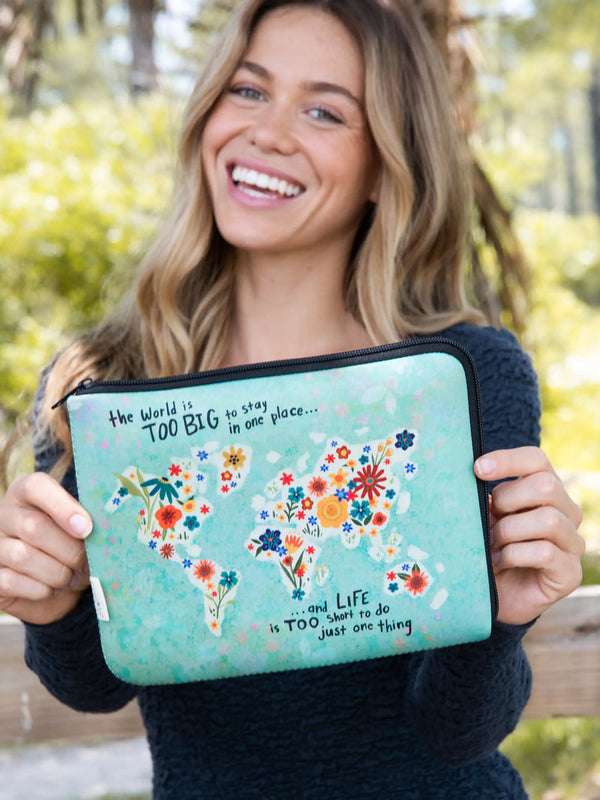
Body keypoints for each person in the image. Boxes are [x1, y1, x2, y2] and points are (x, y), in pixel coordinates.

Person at [0, 0, 584, 797]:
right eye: (247, 90)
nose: (268, 132)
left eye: (324, 111)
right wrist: (49, 599)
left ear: (385, 165)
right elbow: (96, 687)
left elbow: (458, 731)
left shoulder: (469, 375)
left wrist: (500, 620)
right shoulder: (102, 385)